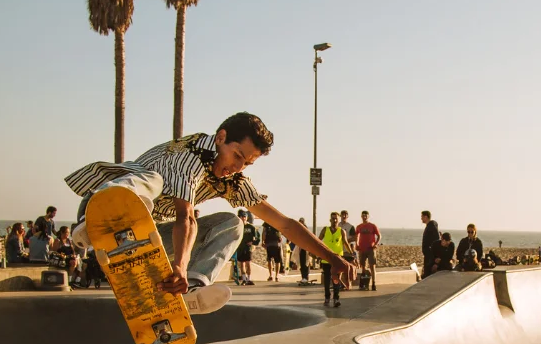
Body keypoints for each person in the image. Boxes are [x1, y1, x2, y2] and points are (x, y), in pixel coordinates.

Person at [65, 112, 356, 314]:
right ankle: (96, 225)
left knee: (233, 224)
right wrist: (178, 262)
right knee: (151, 180)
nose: (238, 167)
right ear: (220, 138)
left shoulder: (233, 182)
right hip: (99, 209)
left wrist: (334, 258)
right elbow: (186, 218)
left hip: (143, 237)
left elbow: (285, 225)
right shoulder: (191, 155)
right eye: (238, 156)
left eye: (247, 164)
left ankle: (191, 290)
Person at [317, 212, 355, 307]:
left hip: (338, 259)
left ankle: (336, 298)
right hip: (327, 258)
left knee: (336, 279)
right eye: (333, 218)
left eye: (336, 219)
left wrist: (351, 253)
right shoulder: (325, 230)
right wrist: (316, 252)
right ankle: (327, 297)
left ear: (338, 220)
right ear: (330, 220)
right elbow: (318, 240)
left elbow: (345, 243)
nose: (334, 220)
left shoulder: (342, 231)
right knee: (326, 279)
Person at [355, 211, 381, 290]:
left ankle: (373, 283)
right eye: (363, 216)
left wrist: (376, 244)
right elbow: (356, 236)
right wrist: (357, 244)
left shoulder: (372, 226)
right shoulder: (359, 226)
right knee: (363, 267)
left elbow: (379, 236)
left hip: (370, 249)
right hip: (362, 249)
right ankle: (364, 283)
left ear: (368, 216)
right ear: (361, 216)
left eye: (366, 216)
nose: (364, 217)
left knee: (372, 266)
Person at [235, 210, 258, 285]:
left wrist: (253, 242)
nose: (243, 218)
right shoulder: (238, 227)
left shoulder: (251, 227)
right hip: (240, 247)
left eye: (244, 216)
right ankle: (244, 279)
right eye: (241, 217)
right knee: (242, 263)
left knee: (248, 263)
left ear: (247, 218)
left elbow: (257, 237)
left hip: (248, 248)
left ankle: (249, 279)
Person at [261, 216, 283, 282]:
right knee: (275, 260)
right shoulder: (276, 222)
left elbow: (264, 232)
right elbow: (264, 232)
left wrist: (263, 241)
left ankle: (273, 275)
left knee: (272, 260)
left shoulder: (268, 222)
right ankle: (275, 276)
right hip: (273, 243)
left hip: (273, 243)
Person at [292, 217, 311, 285]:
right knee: (301, 263)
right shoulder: (298, 229)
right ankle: (303, 277)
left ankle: (305, 277)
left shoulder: (305, 229)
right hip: (300, 247)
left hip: (305, 248)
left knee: (306, 263)